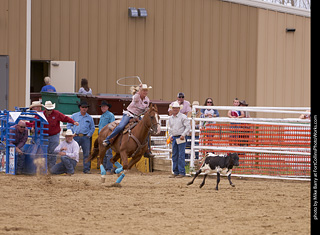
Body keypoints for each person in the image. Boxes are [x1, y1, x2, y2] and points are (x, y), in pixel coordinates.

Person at [103, 84, 152, 148]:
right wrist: (140, 88)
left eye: (146, 91)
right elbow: (136, 97)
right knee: (121, 126)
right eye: (144, 90)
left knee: (146, 129)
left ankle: (147, 148)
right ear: (140, 91)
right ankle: (108, 139)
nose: (145, 92)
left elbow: (145, 109)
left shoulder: (147, 100)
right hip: (129, 114)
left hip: (137, 116)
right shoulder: (136, 97)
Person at [43, 101, 79, 170]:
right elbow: (36, 121)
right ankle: (45, 168)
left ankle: (51, 168)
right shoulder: (42, 114)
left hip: (54, 135)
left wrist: (73, 122)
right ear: (45, 109)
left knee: (52, 152)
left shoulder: (56, 114)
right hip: (44, 135)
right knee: (45, 152)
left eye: (51, 109)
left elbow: (65, 118)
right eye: (48, 109)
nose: (50, 111)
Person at [67, 100, 95, 174]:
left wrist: (88, 135)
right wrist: (72, 133)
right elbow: (69, 125)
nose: (84, 109)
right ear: (80, 107)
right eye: (83, 107)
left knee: (87, 153)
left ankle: (86, 169)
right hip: (76, 137)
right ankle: (70, 168)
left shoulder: (89, 118)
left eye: (86, 107)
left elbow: (92, 128)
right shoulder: (74, 116)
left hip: (85, 137)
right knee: (73, 153)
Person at [168, 101, 191, 178]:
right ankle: (176, 171)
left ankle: (181, 172)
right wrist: (170, 135)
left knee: (180, 155)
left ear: (179, 109)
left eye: (176, 108)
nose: (175, 109)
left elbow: (188, 127)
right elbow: (170, 128)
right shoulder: (171, 118)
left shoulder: (183, 117)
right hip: (175, 137)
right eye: (174, 108)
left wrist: (183, 134)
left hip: (181, 137)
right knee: (175, 155)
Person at [98, 100, 115, 174]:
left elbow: (112, 125)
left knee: (108, 153)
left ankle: (109, 169)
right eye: (102, 106)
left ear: (107, 107)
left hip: (107, 136)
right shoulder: (103, 115)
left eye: (104, 106)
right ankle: (104, 169)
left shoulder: (110, 115)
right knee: (103, 153)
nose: (103, 108)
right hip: (102, 136)